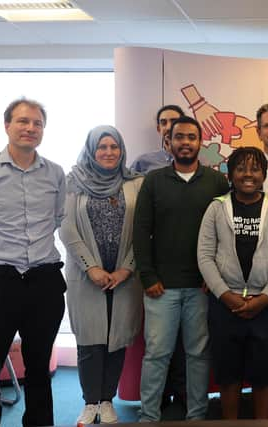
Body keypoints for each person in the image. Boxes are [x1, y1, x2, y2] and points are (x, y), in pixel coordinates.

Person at [0, 98, 66, 427]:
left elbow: (55, 219)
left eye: (37, 123)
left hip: (44, 281)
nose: (30, 128)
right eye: (23, 121)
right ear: (7, 126)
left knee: (38, 368)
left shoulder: (55, 173)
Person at [133, 115, 229, 422]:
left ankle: (196, 415)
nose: (185, 142)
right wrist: (148, 276)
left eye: (191, 137)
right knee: (157, 355)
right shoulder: (154, 180)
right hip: (160, 287)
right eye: (179, 137)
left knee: (198, 355)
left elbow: (225, 234)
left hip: (202, 287)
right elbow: (141, 230)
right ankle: (149, 416)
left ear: (201, 142)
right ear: (168, 142)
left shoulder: (217, 182)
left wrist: (214, 278)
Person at [197, 147, 268, 419]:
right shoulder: (216, 208)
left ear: (264, 174)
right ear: (230, 174)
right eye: (241, 168)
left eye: (254, 169)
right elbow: (204, 257)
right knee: (228, 376)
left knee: (263, 376)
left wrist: (264, 299)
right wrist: (226, 296)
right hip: (225, 306)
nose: (248, 175)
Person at [59, 125, 143, 424]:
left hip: (124, 277)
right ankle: (90, 402)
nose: (109, 152)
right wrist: (90, 266)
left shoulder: (135, 183)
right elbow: (67, 228)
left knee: (116, 339)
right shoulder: (73, 182)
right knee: (90, 341)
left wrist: (126, 268)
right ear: (92, 150)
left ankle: (107, 400)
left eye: (114, 147)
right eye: (102, 147)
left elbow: (144, 231)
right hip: (86, 277)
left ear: (122, 150)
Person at [130, 104, 187, 412]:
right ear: (158, 128)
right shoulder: (143, 163)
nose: (168, 127)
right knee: (157, 342)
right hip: (153, 262)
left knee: (187, 343)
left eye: (174, 122)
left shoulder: (199, 168)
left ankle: (183, 396)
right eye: (163, 122)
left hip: (188, 266)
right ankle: (156, 401)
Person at [130, 105, 184, 174]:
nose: (168, 127)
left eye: (174, 122)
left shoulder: (195, 161)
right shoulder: (142, 162)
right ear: (159, 129)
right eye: (164, 123)